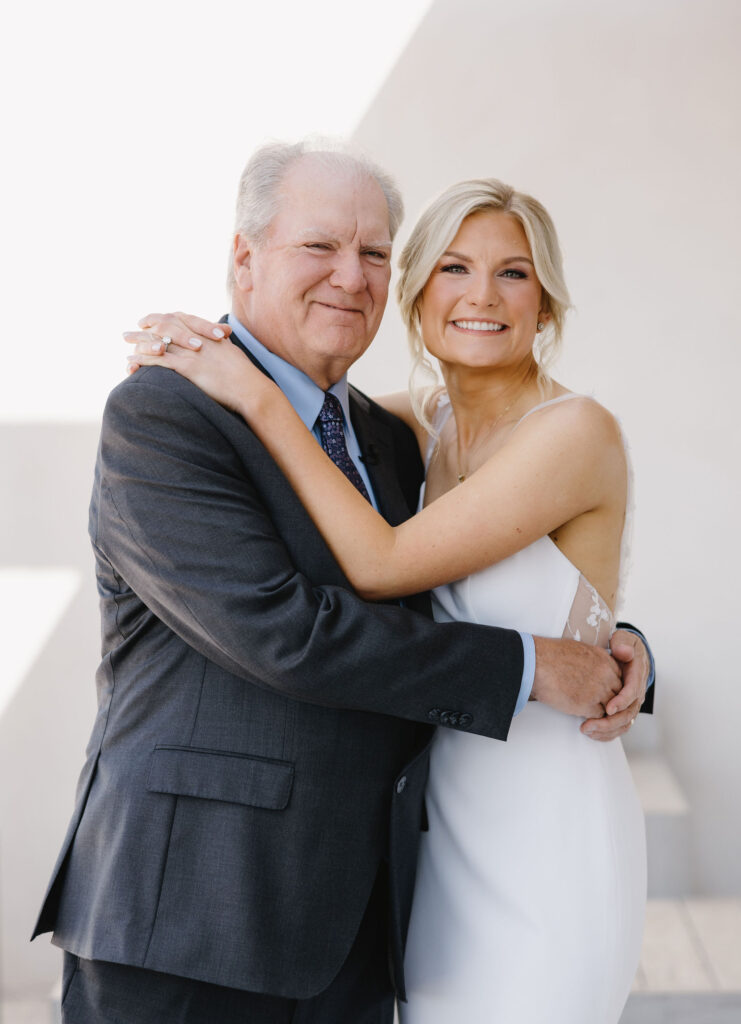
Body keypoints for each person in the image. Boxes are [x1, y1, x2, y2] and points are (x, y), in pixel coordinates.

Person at [34, 141, 651, 1024]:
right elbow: (282, 632)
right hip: (191, 910)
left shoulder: (390, 438)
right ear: (244, 257)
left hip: (368, 914)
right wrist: (532, 666)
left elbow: (465, 580)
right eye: (319, 246)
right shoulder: (167, 412)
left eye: (371, 252)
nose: (349, 276)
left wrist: (615, 648)